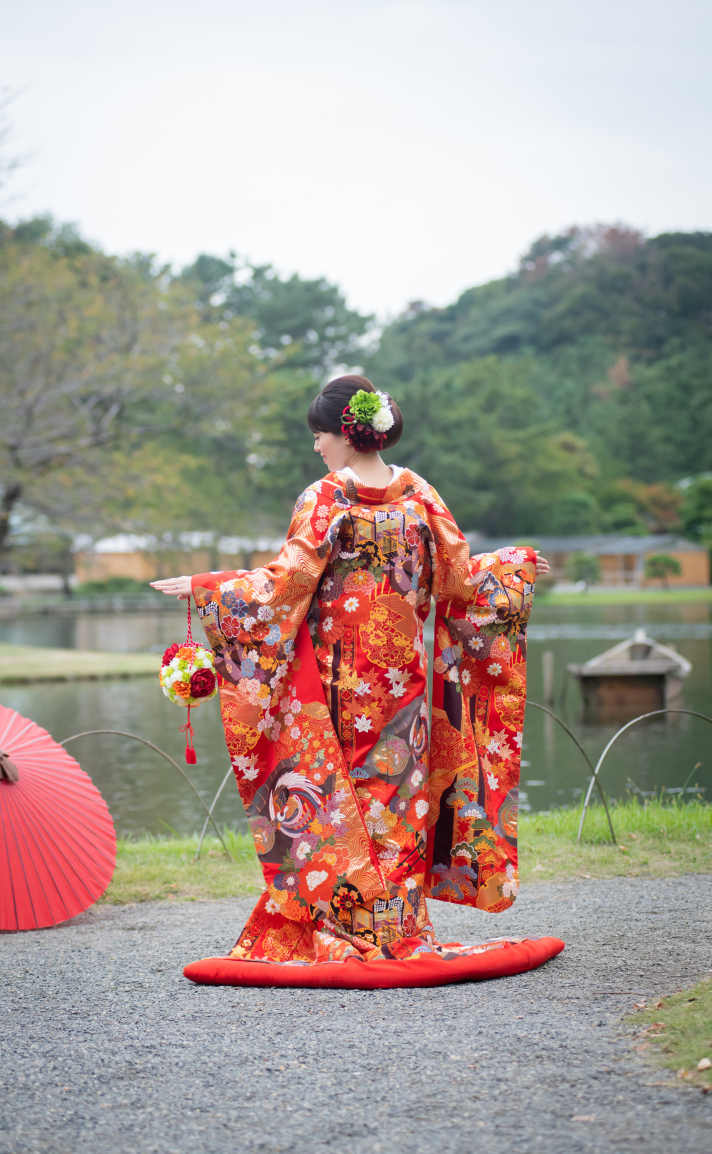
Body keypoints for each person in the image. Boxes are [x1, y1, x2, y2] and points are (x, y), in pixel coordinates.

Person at [151, 375, 562, 988]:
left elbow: (284, 585)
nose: (317, 448)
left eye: (319, 436)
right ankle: (395, 926)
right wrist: (511, 568)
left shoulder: (324, 499)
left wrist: (210, 588)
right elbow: (458, 580)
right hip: (404, 682)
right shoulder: (421, 494)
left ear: (342, 436)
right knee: (399, 794)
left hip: (339, 681)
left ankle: (349, 926)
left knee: (343, 792)